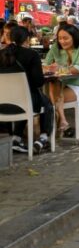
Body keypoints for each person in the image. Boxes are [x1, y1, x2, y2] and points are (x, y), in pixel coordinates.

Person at [0, 26, 54, 154]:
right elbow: (38, 82)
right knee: (46, 103)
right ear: (27, 39)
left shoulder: (1, 53)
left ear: (9, 37)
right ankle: (43, 138)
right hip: (26, 103)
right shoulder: (32, 55)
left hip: (2, 104)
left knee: (24, 99)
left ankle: (16, 138)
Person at [43, 24, 79, 138]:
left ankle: (54, 127)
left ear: (74, 37)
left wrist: (58, 69)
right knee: (53, 84)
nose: (62, 41)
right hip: (63, 85)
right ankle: (63, 123)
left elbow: (78, 69)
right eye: (60, 38)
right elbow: (46, 64)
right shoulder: (56, 47)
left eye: (66, 38)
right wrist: (49, 67)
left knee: (53, 100)